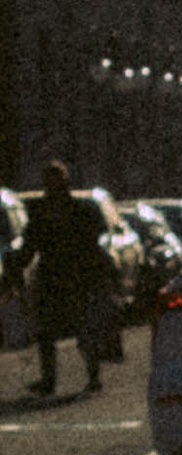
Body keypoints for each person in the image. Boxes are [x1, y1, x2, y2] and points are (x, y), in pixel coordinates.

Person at [10, 161, 112, 397]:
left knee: (84, 329)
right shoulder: (41, 212)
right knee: (46, 331)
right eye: (49, 181)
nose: (52, 186)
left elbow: (93, 243)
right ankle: (49, 380)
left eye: (56, 181)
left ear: (66, 183)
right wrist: (16, 265)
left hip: (78, 276)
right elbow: (30, 245)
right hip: (51, 277)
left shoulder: (80, 210)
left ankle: (93, 376)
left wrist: (98, 275)